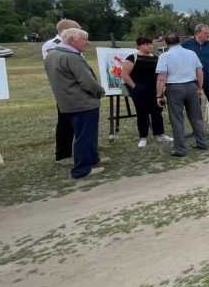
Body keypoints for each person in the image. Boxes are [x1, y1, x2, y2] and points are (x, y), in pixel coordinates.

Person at [43, 28, 106, 179]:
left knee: (84, 134)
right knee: (85, 136)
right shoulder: (72, 57)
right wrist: (100, 91)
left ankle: (92, 160)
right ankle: (82, 169)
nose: (87, 42)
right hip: (82, 103)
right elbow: (88, 82)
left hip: (66, 102)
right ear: (72, 40)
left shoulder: (51, 55)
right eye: (84, 39)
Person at [156, 33, 208, 157]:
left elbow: (161, 78)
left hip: (174, 88)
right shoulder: (191, 53)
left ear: (165, 43)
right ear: (179, 41)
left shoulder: (165, 56)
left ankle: (180, 149)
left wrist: (159, 95)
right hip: (191, 86)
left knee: (177, 119)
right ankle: (202, 142)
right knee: (196, 117)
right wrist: (200, 87)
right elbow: (199, 72)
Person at [42, 19, 81, 165]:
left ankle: (81, 148)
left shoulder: (72, 44)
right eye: (77, 30)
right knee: (65, 121)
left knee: (78, 120)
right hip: (66, 89)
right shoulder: (53, 45)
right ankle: (63, 154)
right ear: (66, 31)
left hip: (77, 88)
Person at [121, 37, 172, 148]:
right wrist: (135, 88)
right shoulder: (132, 57)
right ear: (139, 46)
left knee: (157, 112)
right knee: (142, 114)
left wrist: (161, 88)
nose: (149, 46)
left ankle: (160, 134)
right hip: (139, 91)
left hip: (155, 91)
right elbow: (125, 75)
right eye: (146, 44)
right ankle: (143, 137)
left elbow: (160, 74)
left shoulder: (156, 58)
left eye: (150, 44)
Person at [182, 24, 209, 140]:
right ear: (198, 33)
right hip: (192, 80)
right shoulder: (186, 45)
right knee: (194, 107)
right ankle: (197, 131)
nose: (208, 35)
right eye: (206, 33)